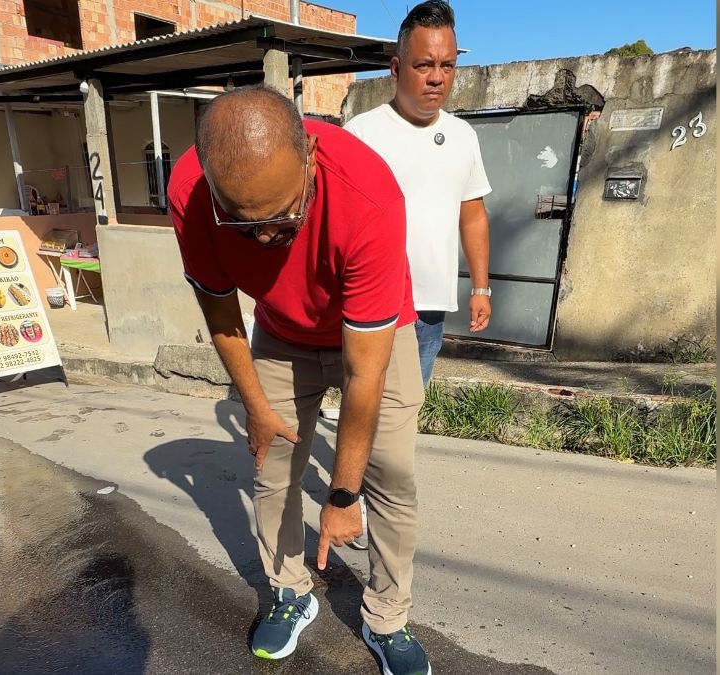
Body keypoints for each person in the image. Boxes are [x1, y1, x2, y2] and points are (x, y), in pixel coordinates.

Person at [168, 85, 432, 675]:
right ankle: (290, 591)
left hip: (374, 334)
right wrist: (256, 407)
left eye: (283, 214)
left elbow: (364, 372)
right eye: (246, 223)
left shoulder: (369, 195)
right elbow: (221, 313)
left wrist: (342, 495)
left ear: (310, 155)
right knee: (274, 471)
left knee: (390, 476)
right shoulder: (190, 191)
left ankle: (387, 618)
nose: (266, 237)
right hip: (281, 332)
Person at [345, 0, 493, 388]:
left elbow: (472, 214)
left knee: (411, 405)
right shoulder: (361, 135)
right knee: (366, 401)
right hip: (373, 303)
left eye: (447, 66)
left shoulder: (463, 136)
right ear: (396, 69)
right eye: (424, 65)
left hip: (430, 308)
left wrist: (481, 288)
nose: (437, 78)